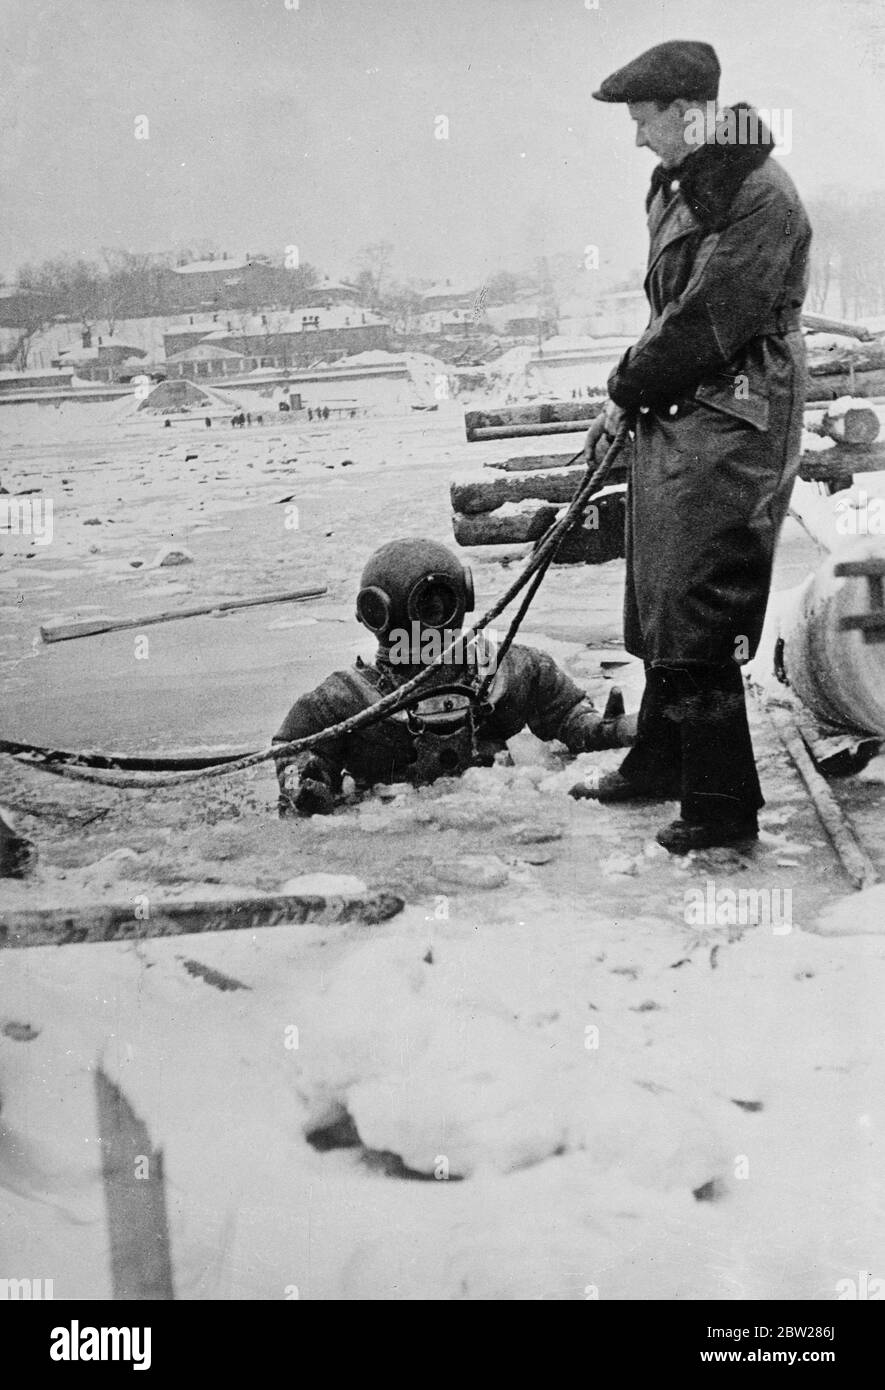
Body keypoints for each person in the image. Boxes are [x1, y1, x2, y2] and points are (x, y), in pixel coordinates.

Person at [576, 40, 811, 853]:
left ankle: (720, 807)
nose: (637, 138)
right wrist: (626, 401)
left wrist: (624, 384)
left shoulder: (757, 194)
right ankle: (660, 759)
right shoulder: (683, 187)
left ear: (686, 112)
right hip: (683, 411)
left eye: (644, 121)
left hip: (737, 416)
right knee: (657, 592)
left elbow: (710, 316)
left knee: (701, 601)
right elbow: (669, 313)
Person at [272, 538, 636, 816]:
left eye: (441, 601)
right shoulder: (351, 699)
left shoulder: (506, 671)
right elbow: (296, 746)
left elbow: (565, 711)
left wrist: (601, 729)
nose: (435, 614)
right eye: (426, 604)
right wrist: (306, 781)